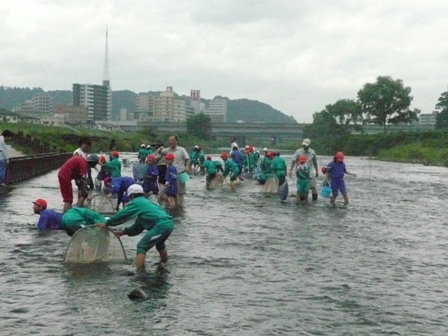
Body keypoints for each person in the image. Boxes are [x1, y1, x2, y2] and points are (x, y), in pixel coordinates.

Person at [96, 184, 174, 271]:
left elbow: (123, 215)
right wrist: (123, 232)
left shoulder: (137, 202)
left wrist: (107, 223)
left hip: (161, 226)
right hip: (169, 224)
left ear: (132, 195)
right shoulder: (146, 203)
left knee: (141, 246)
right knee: (159, 243)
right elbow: (137, 227)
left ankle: (139, 272)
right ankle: (164, 264)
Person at [160, 135, 190, 206]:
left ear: (176, 141)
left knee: (180, 192)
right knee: (170, 193)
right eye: (169, 140)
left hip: (181, 174)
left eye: (172, 140)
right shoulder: (167, 150)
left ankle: (180, 207)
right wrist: (160, 149)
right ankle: (173, 207)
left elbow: (188, 159)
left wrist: (187, 166)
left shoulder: (181, 150)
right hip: (171, 175)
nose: (171, 142)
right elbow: (160, 152)